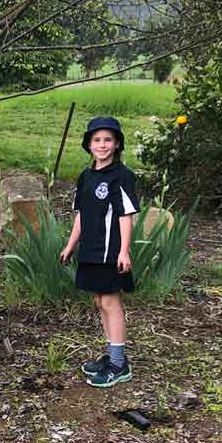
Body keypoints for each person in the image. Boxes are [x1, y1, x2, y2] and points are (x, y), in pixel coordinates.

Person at [60, 116, 139, 388]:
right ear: (88, 144)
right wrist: (71, 245)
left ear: (117, 144)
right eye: (97, 140)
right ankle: (112, 355)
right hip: (90, 251)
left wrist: (124, 251)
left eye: (108, 140)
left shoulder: (122, 176)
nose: (102, 145)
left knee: (110, 302)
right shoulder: (86, 176)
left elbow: (126, 215)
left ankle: (119, 365)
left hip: (111, 252)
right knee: (99, 302)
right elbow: (81, 215)